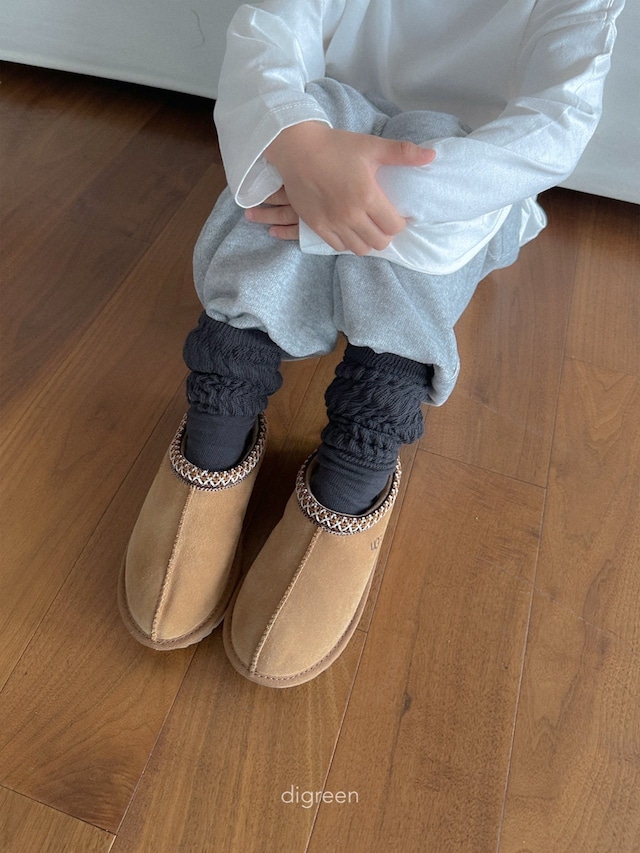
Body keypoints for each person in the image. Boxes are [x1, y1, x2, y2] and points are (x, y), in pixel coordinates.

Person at [119, 0, 625, 687]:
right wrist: (303, 147)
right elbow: (273, 28)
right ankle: (221, 412)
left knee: (432, 136)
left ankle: (358, 454)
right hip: (325, 145)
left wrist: (350, 192)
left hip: (467, 191)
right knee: (319, 107)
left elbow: (549, 129)